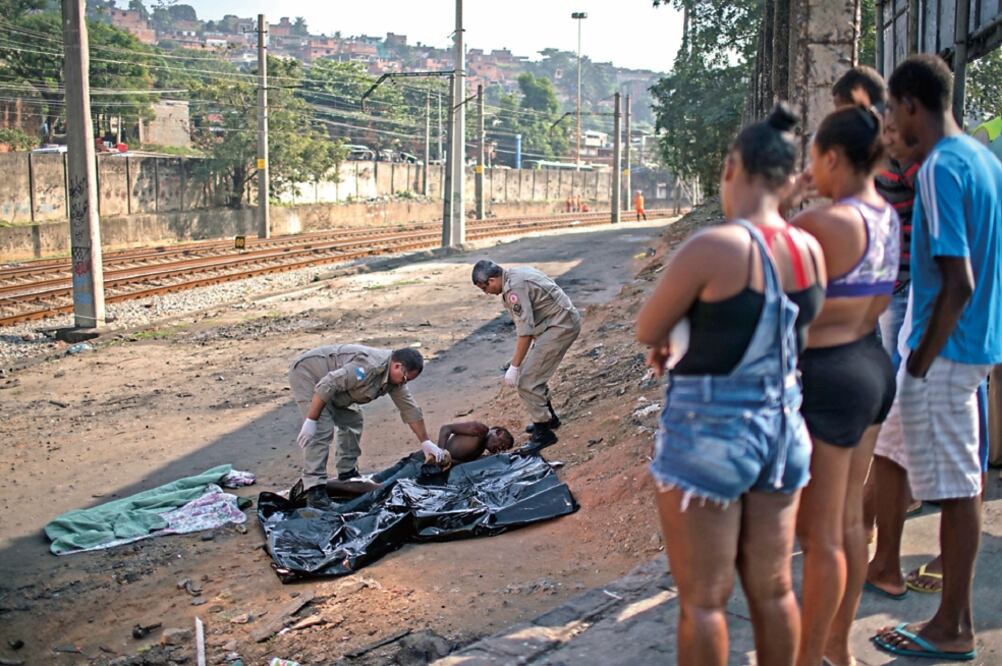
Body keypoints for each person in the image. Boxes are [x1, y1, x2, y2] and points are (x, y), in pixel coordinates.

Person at [636, 103, 826, 666]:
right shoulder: (808, 248)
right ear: (791, 180)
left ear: (731, 169)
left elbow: (648, 326)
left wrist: (673, 334)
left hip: (710, 432)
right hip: (785, 430)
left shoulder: (716, 247)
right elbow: (795, 342)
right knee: (773, 589)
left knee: (705, 602)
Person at [871, 54, 1002, 661]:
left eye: (893, 109)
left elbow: (959, 279)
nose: (892, 121)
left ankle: (952, 626)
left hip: (945, 353)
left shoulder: (940, 168)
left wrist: (920, 362)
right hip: (968, 346)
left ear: (910, 104)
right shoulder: (983, 158)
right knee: (935, 472)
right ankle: (918, 592)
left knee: (956, 489)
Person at [789, 104, 899, 666]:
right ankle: (837, 648)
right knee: (850, 520)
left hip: (829, 378)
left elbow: (749, 264)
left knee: (821, 534)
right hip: (873, 366)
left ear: (831, 157)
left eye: (813, 157)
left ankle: (808, 658)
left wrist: (785, 201)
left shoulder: (823, 224)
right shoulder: (885, 216)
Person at [288, 344, 442, 509]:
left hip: (333, 387)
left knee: (353, 419)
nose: (404, 383)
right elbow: (327, 384)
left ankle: (347, 474)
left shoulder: (394, 378)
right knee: (321, 429)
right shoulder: (368, 367)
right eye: (405, 379)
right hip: (309, 375)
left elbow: (409, 409)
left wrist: (425, 442)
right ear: (397, 366)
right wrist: (312, 420)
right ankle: (314, 491)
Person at [471, 260, 581, 449]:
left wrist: (515, 366)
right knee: (534, 372)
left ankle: (544, 432)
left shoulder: (514, 289)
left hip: (560, 326)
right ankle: (549, 418)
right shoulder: (514, 275)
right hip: (555, 322)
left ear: (491, 280)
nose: (486, 293)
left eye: (484, 288)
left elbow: (525, 333)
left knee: (527, 381)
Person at [436, 421, 515, 462]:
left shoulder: (481, 449)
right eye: (501, 444)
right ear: (498, 433)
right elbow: (446, 429)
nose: (499, 449)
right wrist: (440, 452)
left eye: (502, 449)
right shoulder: (480, 430)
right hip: (437, 460)